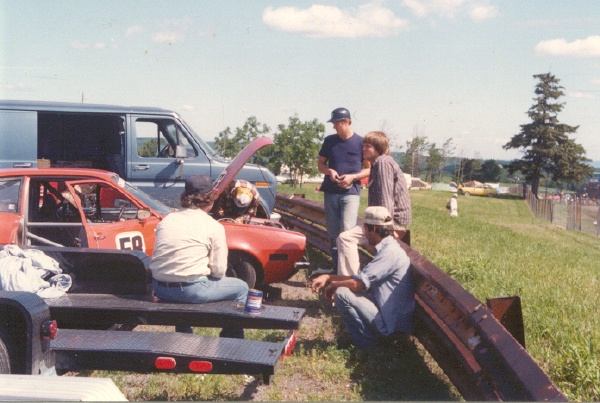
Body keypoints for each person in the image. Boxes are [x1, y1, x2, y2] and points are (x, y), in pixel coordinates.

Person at [149, 174, 249, 337]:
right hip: (190, 291)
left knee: (185, 280)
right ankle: (231, 339)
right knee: (242, 288)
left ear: (185, 197)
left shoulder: (167, 220)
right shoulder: (212, 226)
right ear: (210, 199)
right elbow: (219, 271)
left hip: (160, 288)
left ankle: (184, 334)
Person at [311, 206, 414, 350]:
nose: (364, 234)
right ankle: (367, 342)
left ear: (372, 229)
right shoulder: (389, 248)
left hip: (391, 327)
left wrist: (333, 284)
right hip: (391, 320)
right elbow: (358, 278)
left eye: (365, 229)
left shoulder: (389, 253)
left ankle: (368, 346)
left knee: (341, 294)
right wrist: (328, 277)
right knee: (345, 290)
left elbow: (356, 284)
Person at [336, 131, 411, 276]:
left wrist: (387, 230)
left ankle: (349, 284)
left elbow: (386, 200)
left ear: (378, 148)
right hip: (384, 221)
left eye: (367, 146)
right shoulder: (379, 163)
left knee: (345, 238)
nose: (363, 149)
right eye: (363, 146)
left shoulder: (383, 163)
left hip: (391, 223)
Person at [314, 107, 370, 275]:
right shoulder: (329, 141)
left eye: (336, 123)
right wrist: (330, 171)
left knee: (346, 232)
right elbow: (320, 165)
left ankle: (349, 273)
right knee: (332, 233)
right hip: (331, 192)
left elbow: (369, 169)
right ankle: (336, 268)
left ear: (347, 122)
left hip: (350, 193)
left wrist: (353, 178)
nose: (334, 127)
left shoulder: (361, 142)